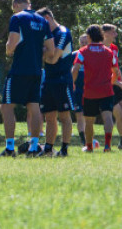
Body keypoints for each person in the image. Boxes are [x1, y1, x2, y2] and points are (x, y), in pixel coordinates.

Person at [0, 0, 52, 157]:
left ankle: (9, 148)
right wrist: (37, 52)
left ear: (15, 5)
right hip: (36, 71)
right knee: (34, 107)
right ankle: (34, 147)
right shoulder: (42, 21)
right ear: (29, 4)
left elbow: (11, 44)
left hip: (19, 70)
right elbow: (50, 49)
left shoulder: (17, 18)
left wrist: (8, 49)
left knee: (6, 106)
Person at [70, 25, 119, 153]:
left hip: (90, 91)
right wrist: (112, 81)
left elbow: (75, 69)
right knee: (107, 117)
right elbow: (116, 70)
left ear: (89, 37)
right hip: (106, 90)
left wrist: (72, 83)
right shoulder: (109, 52)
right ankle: (107, 146)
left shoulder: (83, 52)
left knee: (89, 120)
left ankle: (89, 147)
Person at [36, 8, 75, 157]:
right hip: (48, 80)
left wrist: (45, 52)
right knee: (49, 117)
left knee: (64, 116)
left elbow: (53, 58)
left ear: (47, 18)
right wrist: (46, 53)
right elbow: (46, 56)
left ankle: (64, 149)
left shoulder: (63, 32)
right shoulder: (46, 35)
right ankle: (48, 148)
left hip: (62, 80)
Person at [102, 24, 122, 150]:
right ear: (105, 33)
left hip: (118, 83)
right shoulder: (100, 49)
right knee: (120, 116)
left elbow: (116, 68)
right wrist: (121, 84)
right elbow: (105, 74)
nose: (115, 35)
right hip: (107, 86)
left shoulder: (114, 48)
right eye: (113, 32)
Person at [71, 33, 89, 143]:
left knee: (88, 114)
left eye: (86, 42)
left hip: (89, 88)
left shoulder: (92, 54)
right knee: (80, 114)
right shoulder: (73, 55)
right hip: (77, 89)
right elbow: (70, 70)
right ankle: (83, 138)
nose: (84, 44)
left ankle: (89, 136)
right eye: (82, 42)